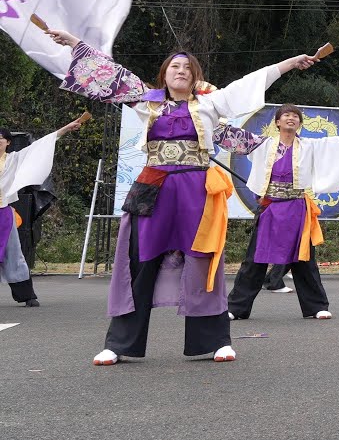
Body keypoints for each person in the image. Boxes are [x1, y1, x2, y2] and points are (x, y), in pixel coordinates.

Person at [47, 29, 316, 365]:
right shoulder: (147, 99)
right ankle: (119, 343)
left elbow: (252, 82)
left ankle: (216, 340)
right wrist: (74, 42)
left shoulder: (210, 103)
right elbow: (110, 74)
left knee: (202, 260)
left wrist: (290, 63)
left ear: (195, 77)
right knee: (140, 262)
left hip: (195, 190)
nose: (181, 71)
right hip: (153, 187)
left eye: (188, 68)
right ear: (164, 74)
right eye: (175, 66)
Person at [227, 104, 339, 321]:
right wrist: (203, 121)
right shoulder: (263, 144)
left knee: (304, 259)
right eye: (286, 115)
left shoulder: (308, 146)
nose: (291, 119)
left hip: (296, 208)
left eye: (295, 116)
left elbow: (334, 143)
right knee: (254, 259)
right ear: (277, 122)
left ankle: (316, 306)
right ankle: (236, 307)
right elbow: (234, 136)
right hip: (269, 207)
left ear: (300, 123)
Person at [1, 119, 84, 306]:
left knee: (14, 253)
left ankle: (27, 295)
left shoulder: (14, 159)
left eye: (1, 138)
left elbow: (40, 145)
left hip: (4, 213)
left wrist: (64, 129)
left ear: (8, 142)